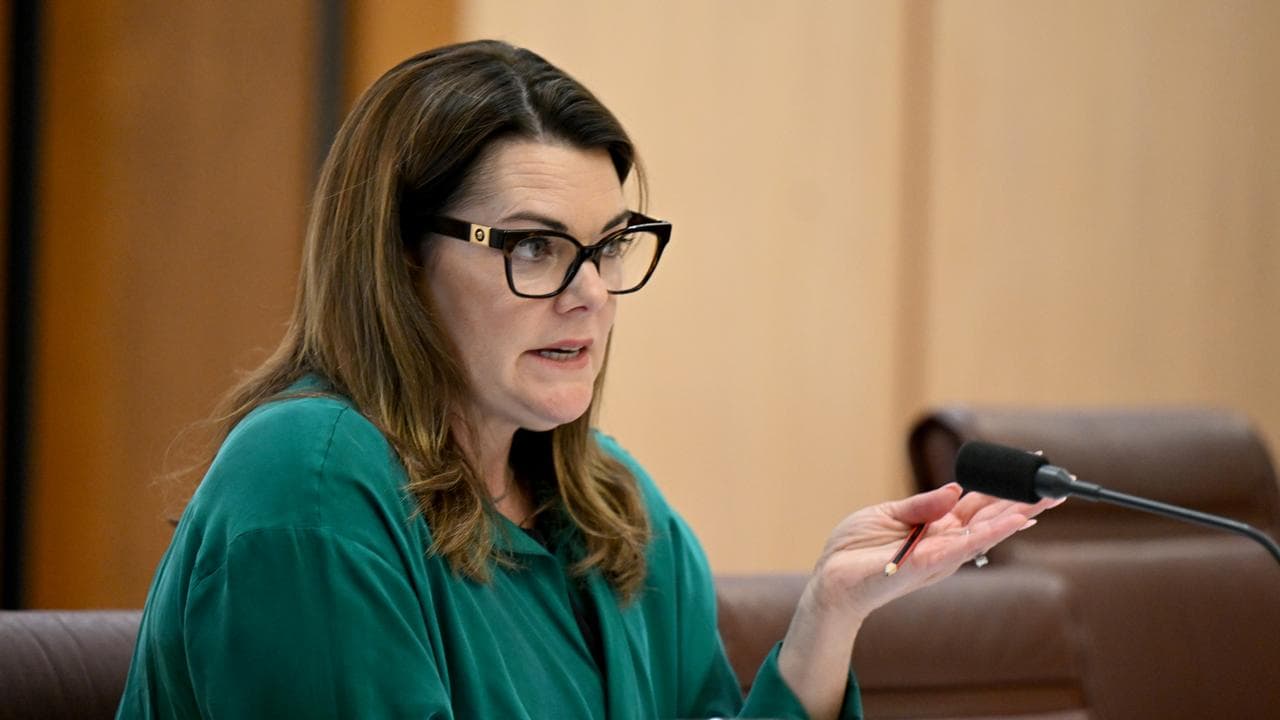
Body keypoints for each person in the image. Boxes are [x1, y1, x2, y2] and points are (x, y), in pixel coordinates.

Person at [116, 40, 1056, 720]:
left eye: (608, 247)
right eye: (535, 246)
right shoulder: (310, 477)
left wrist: (827, 619)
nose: (591, 294)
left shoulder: (612, 507)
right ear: (399, 258)